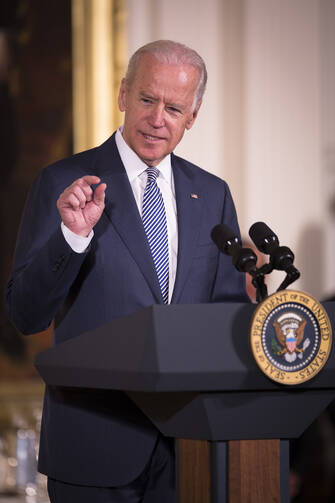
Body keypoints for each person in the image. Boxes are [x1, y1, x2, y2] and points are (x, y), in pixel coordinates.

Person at [5, 40, 247, 503]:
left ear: (191, 117)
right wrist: (72, 238)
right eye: (146, 99)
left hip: (187, 448)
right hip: (93, 444)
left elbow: (226, 315)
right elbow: (25, 314)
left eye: (174, 107)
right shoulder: (63, 182)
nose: (158, 118)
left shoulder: (212, 194)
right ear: (122, 95)